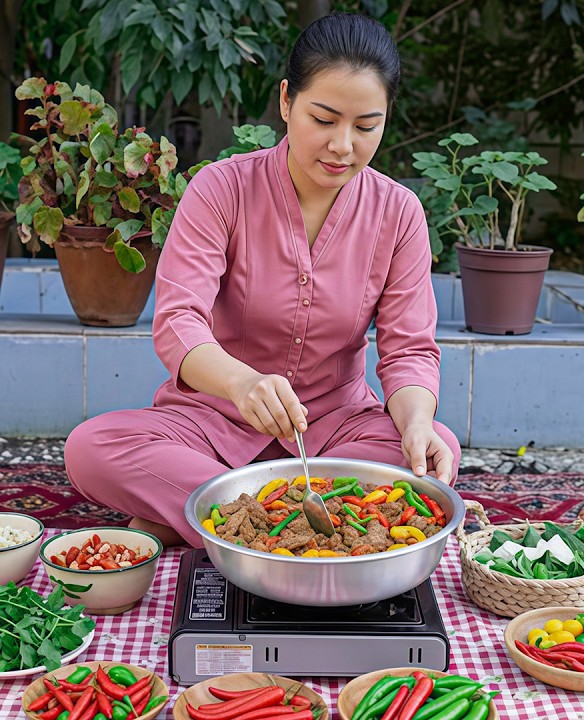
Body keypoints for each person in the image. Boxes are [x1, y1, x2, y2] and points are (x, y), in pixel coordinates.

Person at [65, 13, 460, 548]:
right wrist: (241, 384)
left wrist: (415, 424)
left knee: (437, 447)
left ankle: (217, 515)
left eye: (366, 126)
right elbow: (179, 322)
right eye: (324, 119)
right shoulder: (220, 189)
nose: (343, 145)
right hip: (212, 423)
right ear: (286, 102)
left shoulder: (400, 213)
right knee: (92, 448)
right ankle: (311, 523)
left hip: (339, 430)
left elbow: (409, 349)